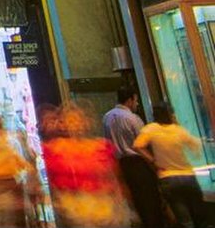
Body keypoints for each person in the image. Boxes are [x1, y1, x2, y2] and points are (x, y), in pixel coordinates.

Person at [40, 102, 127, 227]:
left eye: (78, 120)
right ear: (63, 124)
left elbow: (114, 177)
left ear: (87, 122)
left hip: (103, 208)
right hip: (73, 210)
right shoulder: (54, 149)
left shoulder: (101, 146)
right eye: (70, 120)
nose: (76, 125)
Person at [134, 103, 208, 228]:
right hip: (188, 176)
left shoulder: (151, 129)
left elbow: (137, 146)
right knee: (200, 218)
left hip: (168, 177)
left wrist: (153, 161)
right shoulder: (178, 130)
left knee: (185, 221)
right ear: (170, 114)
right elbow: (195, 144)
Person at [103, 90, 165, 228]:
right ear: (129, 100)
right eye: (136, 101)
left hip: (121, 164)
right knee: (150, 200)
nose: (136, 104)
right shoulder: (133, 118)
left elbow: (108, 142)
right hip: (138, 162)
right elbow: (144, 143)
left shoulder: (107, 117)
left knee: (137, 201)